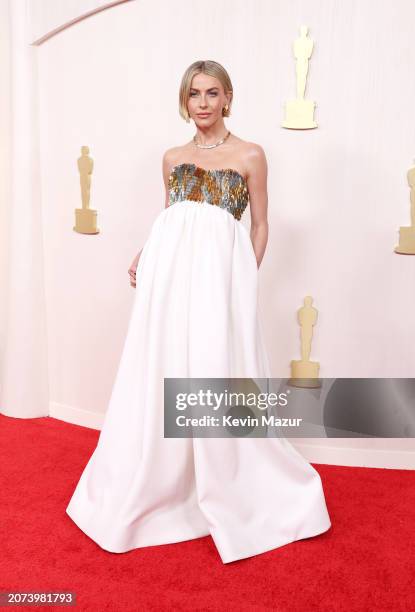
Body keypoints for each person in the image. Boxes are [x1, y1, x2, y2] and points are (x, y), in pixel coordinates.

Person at [66, 60, 331, 564]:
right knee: (163, 362)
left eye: (212, 93)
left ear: (228, 98)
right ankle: (161, 474)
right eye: (194, 94)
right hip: (167, 276)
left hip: (220, 280)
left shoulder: (251, 153)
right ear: (184, 101)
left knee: (213, 364)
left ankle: (229, 475)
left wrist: (245, 280)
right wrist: (146, 253)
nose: (203, 103)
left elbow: (259, 224)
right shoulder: (171, 157)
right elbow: (171, 217)